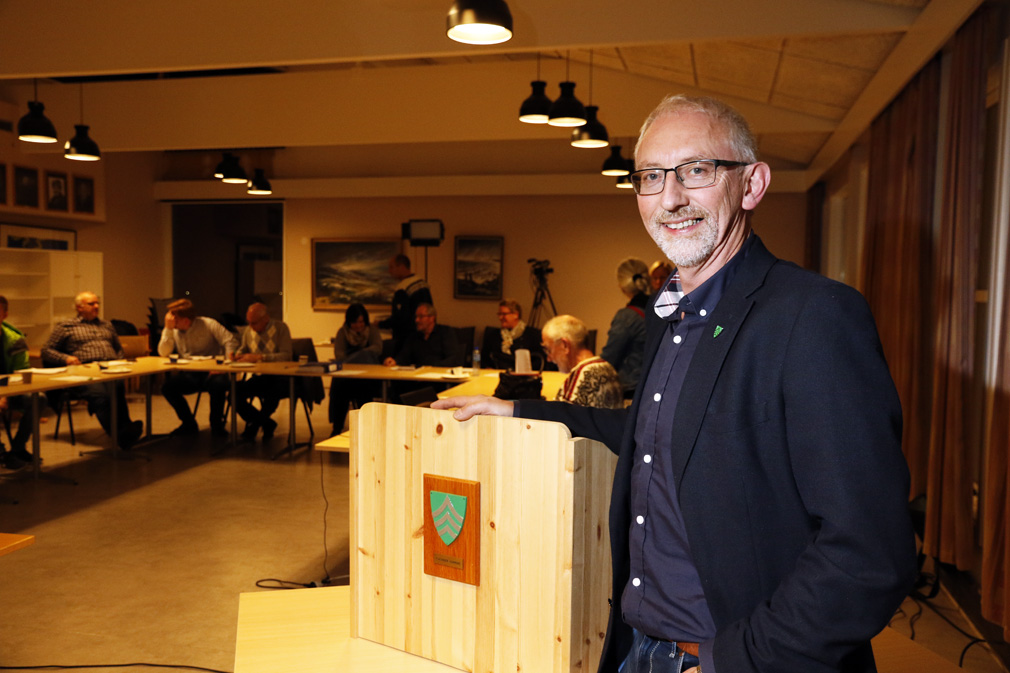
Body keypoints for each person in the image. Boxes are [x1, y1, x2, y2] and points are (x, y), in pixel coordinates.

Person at [434, 94, 916, 673]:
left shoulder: (814, 316)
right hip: (638, 648)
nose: (670, 198)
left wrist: (728, 661)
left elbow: (868, 553)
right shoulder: (673, 314)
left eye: (696, 170)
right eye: (651, 176)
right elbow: (657, 433)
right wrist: (520, 412)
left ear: (752, 184)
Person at [41, 291, 143, 449]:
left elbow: (118, 348)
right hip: (84, 370)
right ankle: (119, 434)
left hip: (110, 367)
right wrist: (66, 358)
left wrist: (118, 361)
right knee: (100, 395)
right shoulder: (66, 326)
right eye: (91, 304)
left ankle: (125, 428)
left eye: (97, 303)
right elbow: (46, 351)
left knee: (117, 388)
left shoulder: (106, 325)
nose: (96, 306)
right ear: (79, 308)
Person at [157, 298, 238, 437]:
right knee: (168, 388)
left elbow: (230, 341)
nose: (171, 321)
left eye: (174, 319)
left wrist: (225, 365)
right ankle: (189, 424)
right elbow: (163, 352)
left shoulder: (208, 324)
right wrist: (168, 329)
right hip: (191, 373)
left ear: (186, 320)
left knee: (218, 384)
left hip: (212, 372)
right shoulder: (173, 330)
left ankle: (216, 425)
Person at [232, 302, 292, 441]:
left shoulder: (280, 328)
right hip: (259, 376)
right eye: (249, 322)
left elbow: (286, 355)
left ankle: (254, 426)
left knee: (272, 394)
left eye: (254, 323)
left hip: (279, 377)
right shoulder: (249, 331)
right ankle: (266, 423)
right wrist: (237, 355)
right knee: (234, 393)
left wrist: (261, 357)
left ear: (266, 319)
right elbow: (243, 349)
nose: (251, 326)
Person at [541, 314, 622, 409]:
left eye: (549, 350)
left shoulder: (582, 375)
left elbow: (563, 416)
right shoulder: (607, 367)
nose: (549, 358)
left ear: (564, 345)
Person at [0, 296, 41, 469]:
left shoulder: (15, 340)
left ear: (5, 315)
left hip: (10, 389)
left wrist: (5, 394)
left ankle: (18, 448)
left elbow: (21, 372)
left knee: (38, 399)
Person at [328, 303, 382, 436]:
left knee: (362, 388)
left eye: (361, 322)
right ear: (349, 322)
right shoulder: (343, 332)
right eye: (355, 322)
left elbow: (377, 349)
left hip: (368, 376)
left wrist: (355, 356)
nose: (358, 325)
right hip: (348, 376)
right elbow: (339, 355)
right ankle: (337, 427)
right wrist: (362, 354)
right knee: (340, 387)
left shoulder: (372, 331)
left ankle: (367, 427)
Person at [600, 258, 650, 396]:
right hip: (653, 384)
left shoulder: (626, 317)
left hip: (631, 388)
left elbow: (610, 357)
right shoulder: (660, 309)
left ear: (621, 286)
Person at [378, 254, 433, 352]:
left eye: (392, 267)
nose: (389, 271)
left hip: (406, 340)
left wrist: (381, 324)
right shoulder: (423, 284)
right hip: (425, 337)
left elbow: (400, 318)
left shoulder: (403, 288)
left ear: (402, 267)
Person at [383, 303, 460, 369]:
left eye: (421, 316)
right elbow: (404, 356)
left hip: (439, 376)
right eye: (416, 317)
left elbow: (452, 359)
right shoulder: (414, 336)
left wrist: (432, 367)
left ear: (431, 318)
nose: (416, 320)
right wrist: (394, 361)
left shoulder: (445, 332)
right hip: (417, 377)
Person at [479, 299, 544, 370]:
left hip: (524, 374)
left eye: (504, 314)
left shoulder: (533, 334)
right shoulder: (493, 335)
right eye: (499, 314)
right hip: (498, 373)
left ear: (516, 315)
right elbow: (484, 358)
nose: (500, 318)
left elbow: (539, 360)